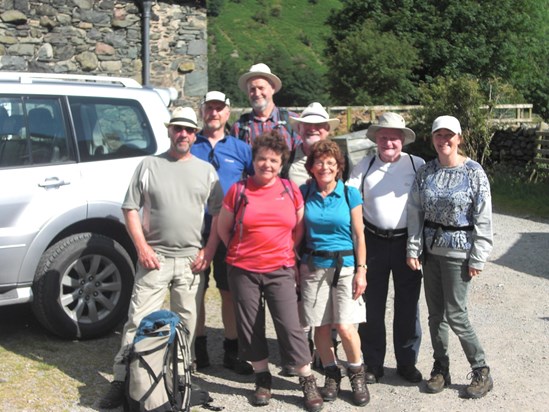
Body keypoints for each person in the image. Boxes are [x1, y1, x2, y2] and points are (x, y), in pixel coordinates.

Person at [99, 107, 224, 409]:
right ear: (169, 131)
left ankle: (180, 379)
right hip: (155, 259)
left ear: (196, 135)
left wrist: (209, 251)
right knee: (137, 321)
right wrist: (142, 248)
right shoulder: (149, 165)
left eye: (189, 130)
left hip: (191, 261)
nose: (183, 134)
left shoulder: (206, 171)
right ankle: (122, 380)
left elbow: (220, 213)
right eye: (178, 128)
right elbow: (130, 208)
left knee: (186, 325)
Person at [217, 131, 323, 412]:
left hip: (281, 268)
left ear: (281, 163)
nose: (267, 164)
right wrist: (241, 252)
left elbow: (298, 228)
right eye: (262, 159)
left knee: (290, 325)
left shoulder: (290, 190)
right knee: (250, 325)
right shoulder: (238, 190)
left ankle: (306, 378)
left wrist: (287, 251)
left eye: (274, 160)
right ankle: (263, 376)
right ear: (253, 160)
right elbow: (223, 228)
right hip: (243, 270)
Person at [406, 115, 494, 399]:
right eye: (438, 136)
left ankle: (481, 369)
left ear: (459, 138)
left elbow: (483, 216)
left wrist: (478, 256)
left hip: (459, 252)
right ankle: (441, 368)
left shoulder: (473, 172)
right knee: (435, 316)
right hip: (431, 252)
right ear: (432, 139)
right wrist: (413, 248)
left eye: (449, 135)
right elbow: (415, 212)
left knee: (456, 314)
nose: (444, 140)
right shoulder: (426, 171)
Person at [347, 112, 425, 384]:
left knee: (408, 305)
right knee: (372, 305)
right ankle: (373, 363)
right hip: (374, 243)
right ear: (376, 139)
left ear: (403, 139)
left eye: (394, 137)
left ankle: (406, 362)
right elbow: (348, 197)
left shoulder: (417, 165)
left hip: (407, 244)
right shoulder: (364, 166)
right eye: (384, 137)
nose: (389, 142)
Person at [299, 140, 370, 406]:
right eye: (319, 162)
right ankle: (331, 373)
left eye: (331, 163)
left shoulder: (350, 193)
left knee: (345, 326)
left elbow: (359, 234)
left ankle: (356, 372)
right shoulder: (304, 192)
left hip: (346, 266)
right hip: (314, 266)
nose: (325, 167)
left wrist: (361, 270)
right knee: (321, 325)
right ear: (311, 167)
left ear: (339, 167)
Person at [191, 91, 254, 375]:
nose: (214, 113)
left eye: (219, 109)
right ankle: (198, 349)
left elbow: (256, 185)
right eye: (209, 108)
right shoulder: (190, 145)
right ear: (202, 111)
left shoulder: (241, 148)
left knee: (230, 291)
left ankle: (232, 349)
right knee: (196, 291)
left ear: (228, 113)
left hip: (232, 233)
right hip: (195, 231)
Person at [230, 62, 301, 151]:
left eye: (261, 88)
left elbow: (301, 160)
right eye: (252, 89)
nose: (257, 93)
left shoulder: (292, 121)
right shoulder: (239, 127)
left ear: (272, 88)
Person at [283, 102, 343, 186]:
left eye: (319, 124)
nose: (312, 129)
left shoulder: (341, 160)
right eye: (307, 124)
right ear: (299, 128)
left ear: (327, 129)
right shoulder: (285, 161)